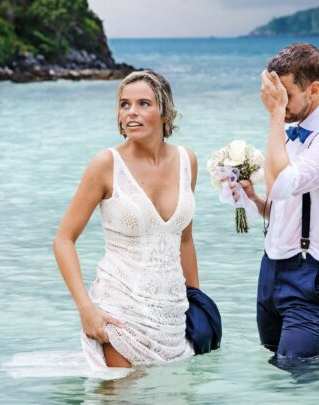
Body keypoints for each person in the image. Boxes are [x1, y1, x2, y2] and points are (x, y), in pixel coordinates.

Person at [53, 70, 200, 369]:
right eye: (124, 104)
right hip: (118, 314)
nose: (131, 112)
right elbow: (63, 240)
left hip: (172, 319)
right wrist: (86, 309)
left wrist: (198, 305)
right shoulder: (106, 164)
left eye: (143, 104)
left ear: (165, 111)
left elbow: (184, 240)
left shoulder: (187, 161)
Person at [233, 43, 319, 360]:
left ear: (314, 89)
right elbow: (284, 205)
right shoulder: (292, 130)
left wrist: (275, 117)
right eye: (274, 95)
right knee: (274, 376)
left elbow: (282, 183)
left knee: (294, 372)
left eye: (286, 95)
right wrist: (253, 198)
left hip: (315, 279)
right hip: (271, 272)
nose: (280, 103)